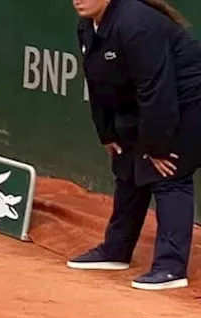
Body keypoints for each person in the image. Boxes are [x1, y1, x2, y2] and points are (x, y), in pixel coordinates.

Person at [67, 0, 201, 290]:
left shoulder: (137, 24)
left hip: (190, 100)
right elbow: (97, 83)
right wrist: (107, 133)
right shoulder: (88, 27)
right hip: (149, 103)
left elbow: (157, 89)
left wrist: (157, 146)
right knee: (127, 166)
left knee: (169, 172)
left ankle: (170, 267)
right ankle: (117, 250)